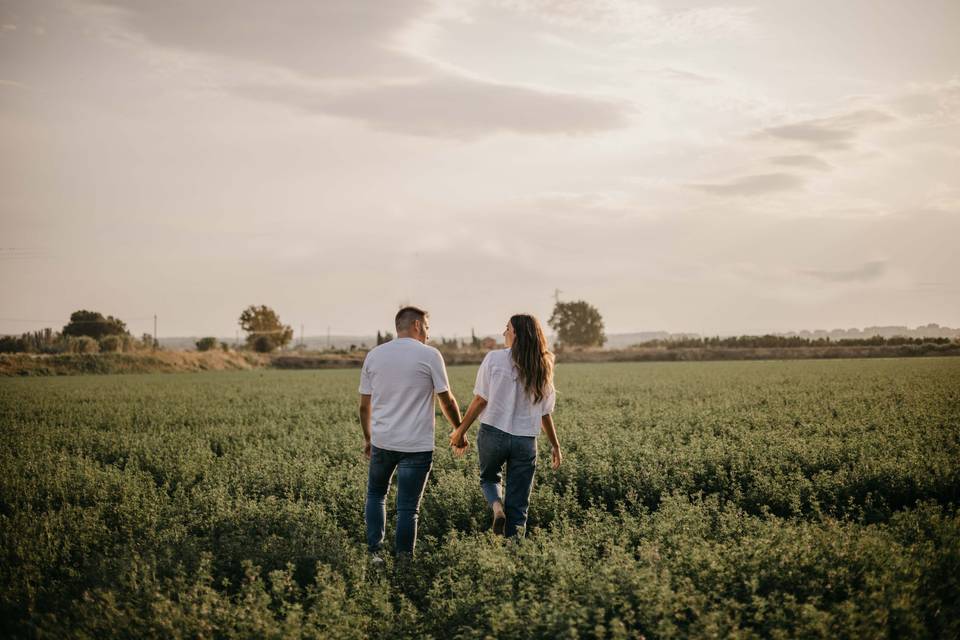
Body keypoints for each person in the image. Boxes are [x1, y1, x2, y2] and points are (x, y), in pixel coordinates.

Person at [359, 306, 462, 558]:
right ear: (416, 325)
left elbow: (364, 407)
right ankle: (404, 562)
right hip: (417, 445)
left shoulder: (374, 355)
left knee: (376, 495)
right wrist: (459, 430)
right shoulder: (430, 355)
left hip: (383, 442)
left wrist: (369, 439)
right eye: (427, 326)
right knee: (408, 508)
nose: (428, 332)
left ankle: (375, 554)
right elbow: (446, 400)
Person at [450, 314, 562, 537]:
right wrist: (555, 445)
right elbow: (545, 413)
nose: (504, 333)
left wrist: (460, 431)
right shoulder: (543, 365)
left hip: (493, 433)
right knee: (519, 505)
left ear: (517, 334)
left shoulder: (493, 359)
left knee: (489, 478)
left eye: (507, 328)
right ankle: (515, 555)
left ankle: (497, 507)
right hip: (525, 440)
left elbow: (480, 400)